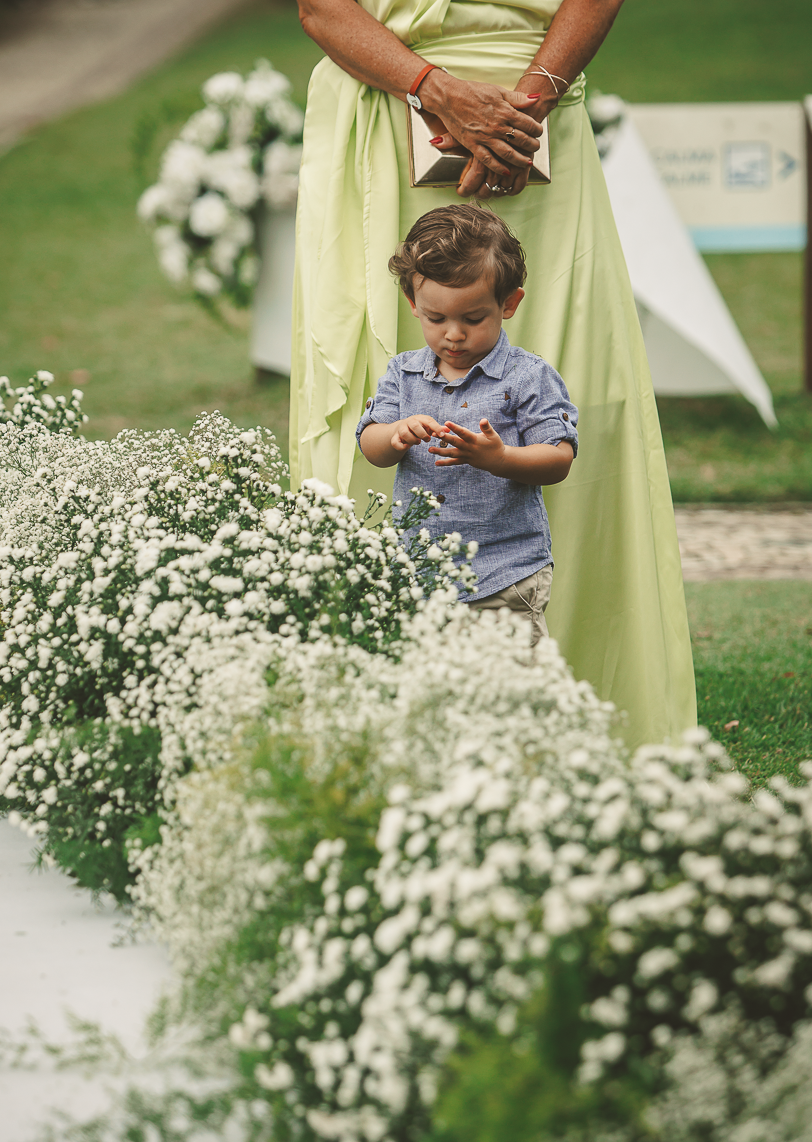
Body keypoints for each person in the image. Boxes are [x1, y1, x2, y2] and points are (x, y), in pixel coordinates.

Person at [290, 0, 697, 747]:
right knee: (374, 372)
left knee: (576, 381)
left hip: (534, 109)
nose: (450, 333)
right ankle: (371, 731)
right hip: (388, 109)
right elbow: (321, 7)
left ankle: (592, 713)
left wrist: (523, 111)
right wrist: (433, 88)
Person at [357, 205, 577, 645]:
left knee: (507, 695)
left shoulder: (527, 376)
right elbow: (371, 444)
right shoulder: (403, 373)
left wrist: (499, 458)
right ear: (414, 305)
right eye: (436, 319)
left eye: (473, 319)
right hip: (418, 574)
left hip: (505, 574)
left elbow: (559, 456)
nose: (453, 334)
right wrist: (395, 435)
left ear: (508, 303)